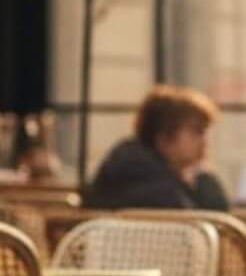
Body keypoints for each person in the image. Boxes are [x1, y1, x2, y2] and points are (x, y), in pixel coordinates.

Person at [83, 85, 231, 213]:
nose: (204, 142)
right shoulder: (150, 182)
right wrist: (202, 174)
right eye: (197, 132)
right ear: (164, 137)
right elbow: (212, 218)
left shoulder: (134, 165)